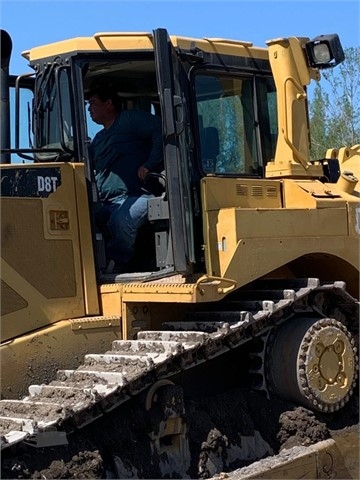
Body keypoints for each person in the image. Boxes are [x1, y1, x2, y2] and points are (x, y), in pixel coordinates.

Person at [86, 81, 164, 272]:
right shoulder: (99, 138)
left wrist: (150, 164)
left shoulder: (128, 120)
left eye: (93, 102)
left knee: (123, 219)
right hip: (107, 202)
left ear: (109, 104)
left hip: (138, 196)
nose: (89, 108)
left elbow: (161, 129)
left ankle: (117, 266)